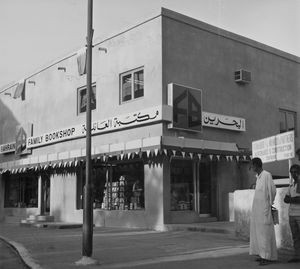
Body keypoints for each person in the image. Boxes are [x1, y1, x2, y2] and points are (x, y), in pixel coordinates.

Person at [249, 157, 277, 265]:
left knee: (265, 234)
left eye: (252, 165)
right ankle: (262, 255)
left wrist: (269, 203)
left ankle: (266, 257)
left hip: (264, 210)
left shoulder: (266, 175)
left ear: (256, 165)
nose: (251, 168)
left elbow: (273, 190)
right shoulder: (258, 177)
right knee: (259, 234)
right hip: (257, 211)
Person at [284, 164, 300, 263]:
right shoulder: (291, 185)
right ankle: (297, 256)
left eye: (295, 171)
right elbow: (285, 199)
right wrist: (293, 199)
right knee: (295, 237)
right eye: (292, 172)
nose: (293, 174)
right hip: (292, 215)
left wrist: (291, 199)